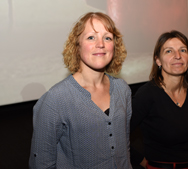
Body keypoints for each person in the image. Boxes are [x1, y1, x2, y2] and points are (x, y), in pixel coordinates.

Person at [29, 12, 132, 169]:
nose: (101, 44)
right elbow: (41, 164)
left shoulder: (122, 89)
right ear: (77, 46)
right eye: (91, 37)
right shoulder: (55, 99)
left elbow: (124, 149)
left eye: (107, 38)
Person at [130, 30, 188, 169]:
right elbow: (118, 137)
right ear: (158, 60)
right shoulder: (146, 95)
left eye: (183, 50)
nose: (178, 56)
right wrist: (143, 162)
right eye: (169, 51)